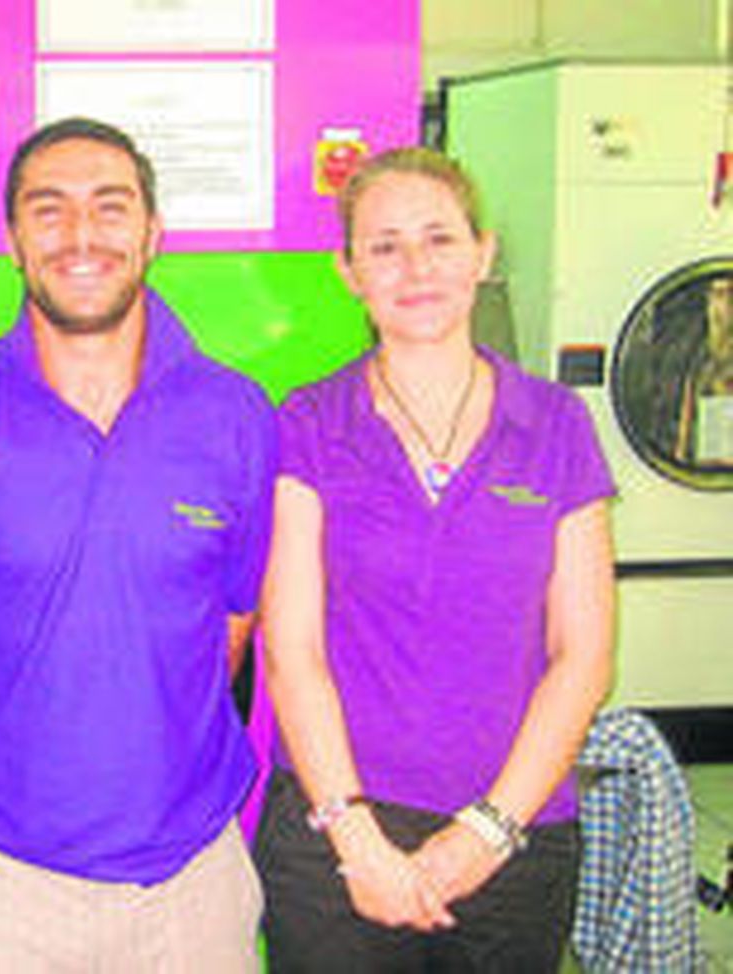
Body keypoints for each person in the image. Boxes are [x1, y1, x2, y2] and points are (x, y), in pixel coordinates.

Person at [0, 117, 274, 971]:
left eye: (110, 208)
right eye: (49, 211)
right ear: (12, 241)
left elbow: (232, 623)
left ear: (153, 233)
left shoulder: (235, 416)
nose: (82, 235)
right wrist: (2, 737)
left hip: (192, 876)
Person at [254, 146, 615, 971]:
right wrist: (357, 841)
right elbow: (294, 651)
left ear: (483, 254)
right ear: (349, 272)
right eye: (384, 246)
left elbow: (582, 653)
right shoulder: (309, 423)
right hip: (334, 835)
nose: (415, 268)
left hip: (517, 834)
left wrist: (487, 832)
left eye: (439, 240)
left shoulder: (556, 425)